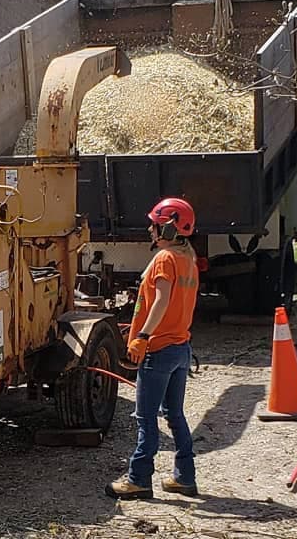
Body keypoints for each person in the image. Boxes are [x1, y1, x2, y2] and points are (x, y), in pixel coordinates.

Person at [106, 197, 199, 501]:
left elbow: (161, 300)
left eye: (154, 225)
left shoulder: (165, 259)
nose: (150, 229)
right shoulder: (189, 260)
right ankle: (185, 478)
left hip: (158, 349)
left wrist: (143, 336)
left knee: (145, 417)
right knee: (175, 415)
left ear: (169, 228)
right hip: (180, 347)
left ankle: (138, 480)